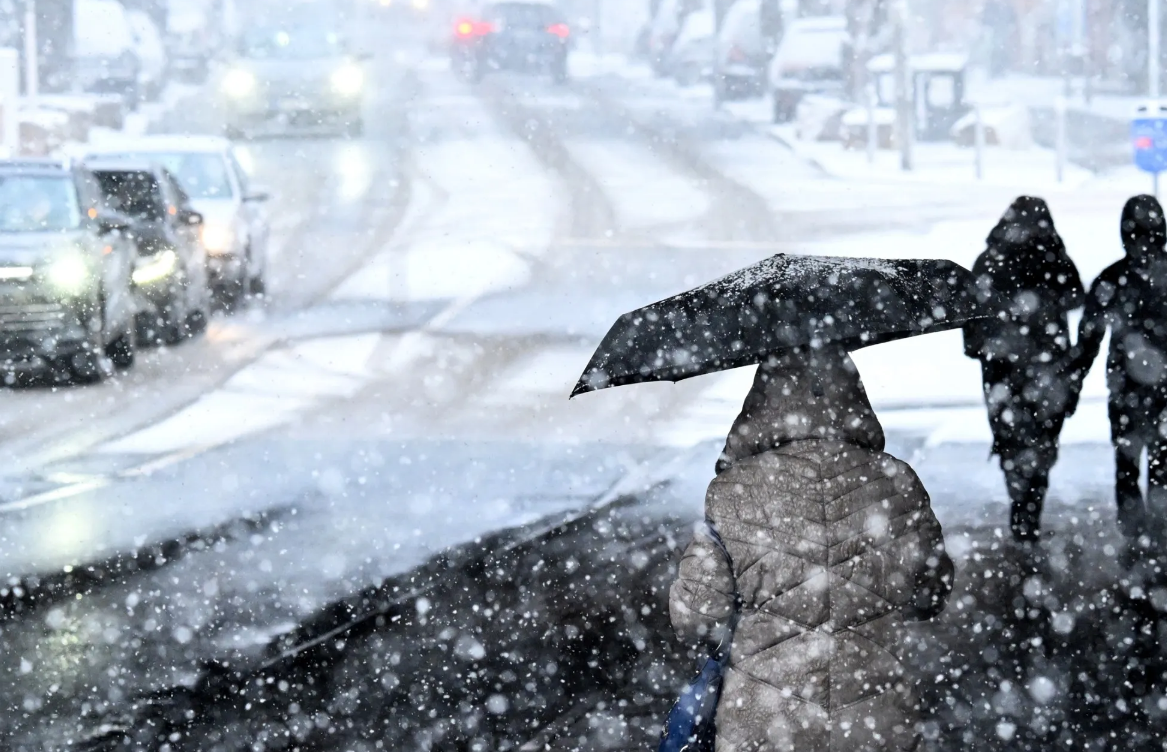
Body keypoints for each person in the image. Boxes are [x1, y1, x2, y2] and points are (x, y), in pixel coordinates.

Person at [669, 346, 953, 752]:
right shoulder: (896, 481)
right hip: (873, 722)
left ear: (758, 408)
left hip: (765, 723)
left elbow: (697, 617)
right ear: (855, 399)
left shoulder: (731, 492)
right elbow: (931, 594)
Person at [963, 197, 1085, 542]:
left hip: (1001, 368)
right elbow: (1076, 296)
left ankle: (1021, 505)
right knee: (1043, 438)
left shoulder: (989, 260)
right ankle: (1030, 505)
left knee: (1010, 438)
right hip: (1047, 366)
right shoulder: (1053, 259)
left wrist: (983, 347)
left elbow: (972, 315)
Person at [1071, 195, 1167, 539]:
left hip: (1125, 386)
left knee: (1127, 461)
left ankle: (1134, 532)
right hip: (1160, 387)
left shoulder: (1112, 279)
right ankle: (1157, 531)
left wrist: (1072, 381)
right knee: (1161, 461)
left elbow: (1088, 339)